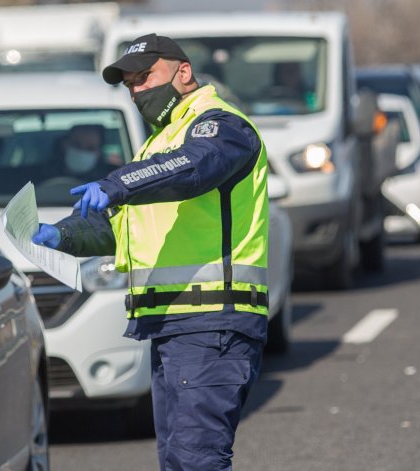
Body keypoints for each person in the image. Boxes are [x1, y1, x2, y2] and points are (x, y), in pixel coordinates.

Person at [32, 33, 270, 471]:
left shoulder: (221, 126)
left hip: (211, 322)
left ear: (184, 72)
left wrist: (118, 183)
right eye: (130, 84)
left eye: (145, 77)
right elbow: (131, 228)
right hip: (171, 325)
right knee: (178, 461)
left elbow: (193, 168)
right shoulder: (160, 142)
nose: (137, 90)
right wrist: (62, 235)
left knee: (196, 461)